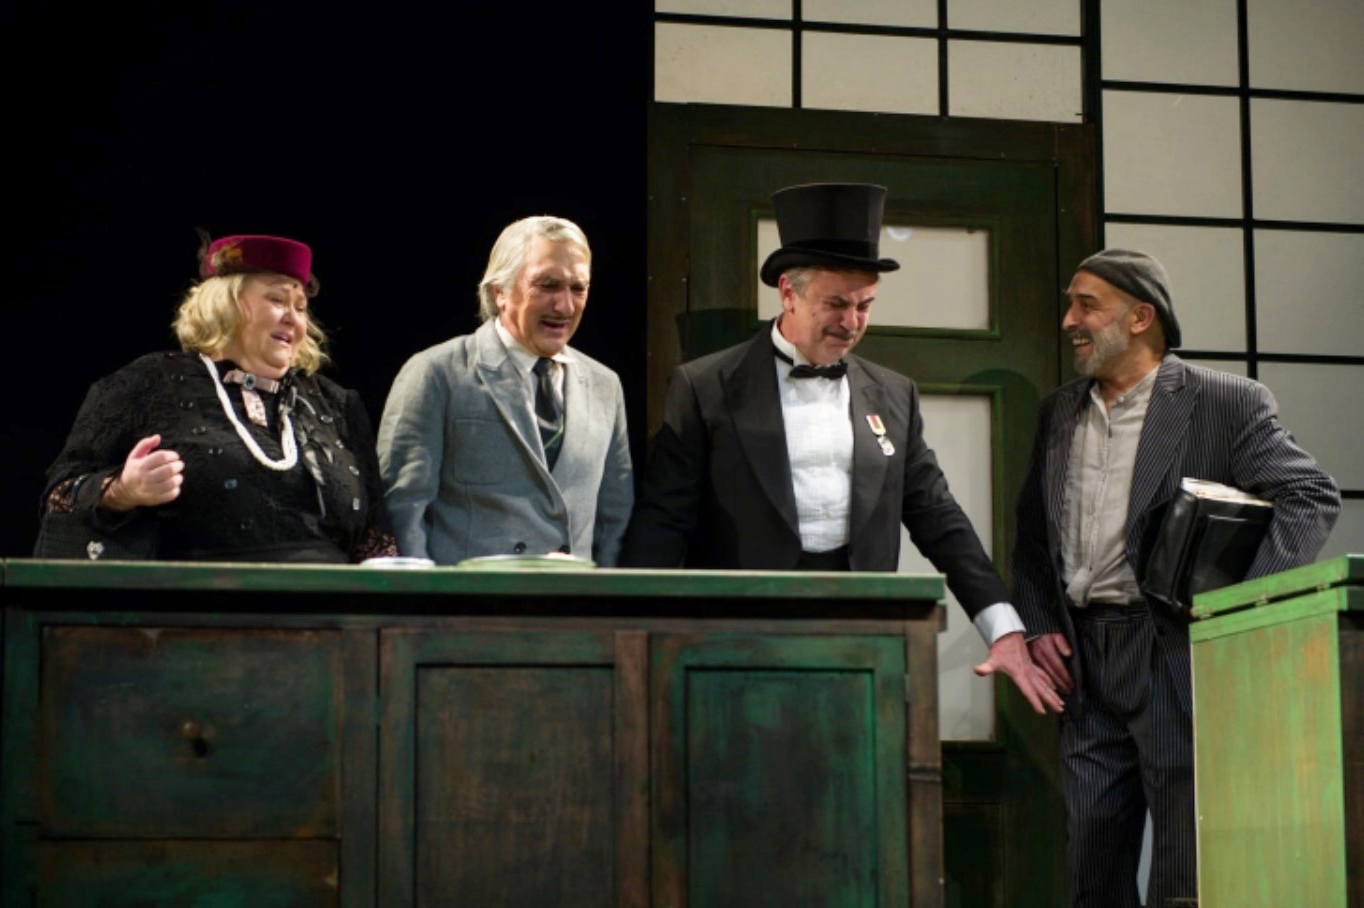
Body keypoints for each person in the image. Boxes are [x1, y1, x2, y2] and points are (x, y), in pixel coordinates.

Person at [621, 182, 1063, 715]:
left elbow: (938, 517)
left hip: (862, 636)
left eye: (864, 305)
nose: (852, 323)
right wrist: (634, 638)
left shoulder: (894, 394)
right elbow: (664, 520)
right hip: (737, 635)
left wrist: (1003, 626)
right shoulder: (705, 386)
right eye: (835, 303)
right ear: (788, 292)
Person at [1011, 248, 1341, 907]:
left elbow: (1309, 495)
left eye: (1086, 305)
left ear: (1141, 317)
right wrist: (1040, 624)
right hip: (1083, 659)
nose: (1069, 320)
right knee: (1091, 855)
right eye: (1071, 304)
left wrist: (1242, 614)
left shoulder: (1223, 402)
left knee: (1183, 861)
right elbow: (1032, 536)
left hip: (1171, 649)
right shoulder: (1060, 411)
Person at [36, 234, 397, 563]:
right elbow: (59, 497)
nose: (293, 319)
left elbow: (376, 540)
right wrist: (121, 491)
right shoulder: (151, 383)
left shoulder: (335, 404)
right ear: (224, 305)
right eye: (276, 300)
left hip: (328, 606)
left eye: (301, 307)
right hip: (205, 602)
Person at [377, 215, 632, 565]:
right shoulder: (436, 373)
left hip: (572, 597)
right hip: (469, 597)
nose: (565, 306)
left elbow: (614, 521)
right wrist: (424, 596)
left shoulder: (605, 385)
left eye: (578, 288)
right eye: (547, 285)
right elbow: (402, 510)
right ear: (500, 291)